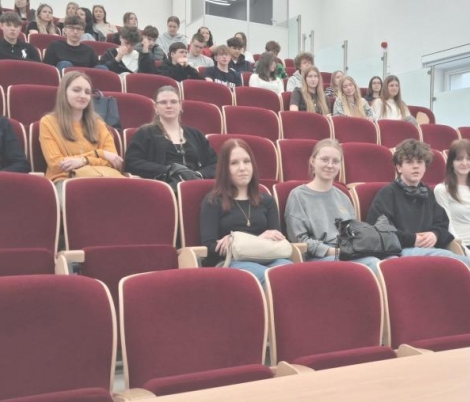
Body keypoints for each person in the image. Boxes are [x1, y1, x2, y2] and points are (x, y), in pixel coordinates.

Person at [200, 139, 292, 284]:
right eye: (234, 163)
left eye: (247, 161)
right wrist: (259, 239)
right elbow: (210, 246)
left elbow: (276, 240)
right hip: (231, 262)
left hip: (268, 258)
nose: (242, 168)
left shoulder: (267, 201)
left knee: (290, 272)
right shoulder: (213, 201)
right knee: (264, 275)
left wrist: (235, 240)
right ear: (224, 168)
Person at [285, 139, 381, 273]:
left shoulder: (343, 196)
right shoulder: (298, 195)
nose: (330, 165)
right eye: (324, 160)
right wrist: (333, 251)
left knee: (379, 263)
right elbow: (299, 240)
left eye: (335, 161)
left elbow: (353, 231)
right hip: (318, 256)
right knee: (365, 265)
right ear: (312, 161)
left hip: (345, 252)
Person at [366, 139, 469, 264]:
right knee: (462, 262)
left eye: (420, 162)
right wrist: (412, 239)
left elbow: (442, 224)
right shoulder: (387, 193)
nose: (416, 166)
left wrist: (435, 234)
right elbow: (379, 229)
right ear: (399, 167)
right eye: (409, 162)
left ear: (425, 167)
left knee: (461, 263)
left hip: (429, 250)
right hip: (399, 251)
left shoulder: (428, 193)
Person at [38, 71, 123, 185]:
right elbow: (57, 165)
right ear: (64, 93)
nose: (83, 96)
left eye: (87, 92)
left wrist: (83, 160)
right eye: (76, 90)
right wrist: (100, 154)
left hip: (104, 178)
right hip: (66, 180)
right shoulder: (48, 122)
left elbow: (114, 162)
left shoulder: (98, 124)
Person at [125, 86, 217, 181]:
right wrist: (168, 170)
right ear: (156, 107)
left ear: (180, 106)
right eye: (163, 102)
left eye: (173, 102)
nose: (169, 106)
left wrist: (198, 174)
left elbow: (215, 164)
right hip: (163, 183)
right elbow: (132, 162)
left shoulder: (196, 134)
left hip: (195, 183)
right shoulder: (145, 133)